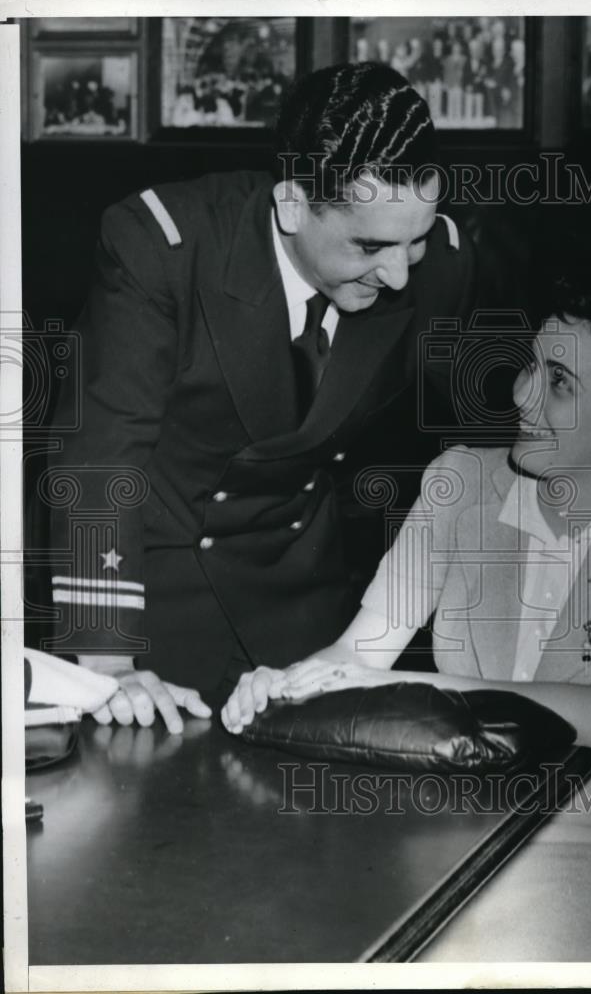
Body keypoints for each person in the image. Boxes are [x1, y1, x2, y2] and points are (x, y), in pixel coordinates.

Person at [223, 271, 591, 960]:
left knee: (511, 945)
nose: (521, 393)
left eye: (559, 383)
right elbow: (358, 656)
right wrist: (281, 686)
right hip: (459, 826)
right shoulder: (458, 482)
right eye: (530, 365)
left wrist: (432, 693)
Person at [44, 62, 475, 733]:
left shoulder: (441, 267)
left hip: (302, 607)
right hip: (154, 608)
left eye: (415, 240)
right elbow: (103, 462)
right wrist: (106, 666)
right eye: (370, 246)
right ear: (294, 203)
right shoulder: (164, 247)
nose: (397, 274)